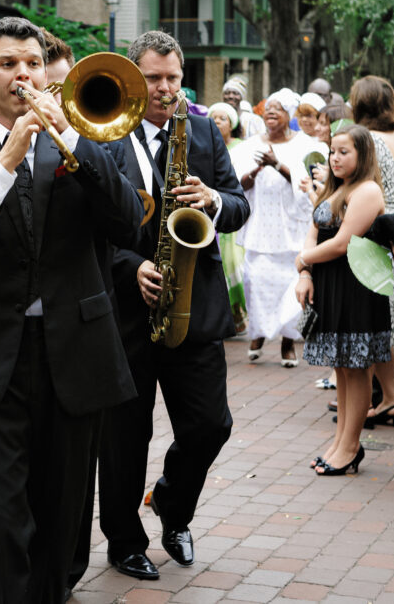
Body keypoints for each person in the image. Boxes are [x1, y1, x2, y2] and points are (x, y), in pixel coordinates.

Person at [0, 16, 142, 602]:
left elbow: (126, 222)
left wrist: (77, 142)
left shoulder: (86, 136)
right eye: (10, 64)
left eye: (34, 63)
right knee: (1, 516)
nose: (25, 75)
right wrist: (4, 163)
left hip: (73, 351)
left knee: (64, 515)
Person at [97, 31, 248, 582]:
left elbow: (239, 205)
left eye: (173, 79)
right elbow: (84, 226)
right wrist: (128, 265)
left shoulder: (203, 130)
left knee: (211, 424)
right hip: (126, 310)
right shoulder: (104, 132)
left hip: (195, 307)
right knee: (123, 436)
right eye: (154, 78)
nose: (164, 89)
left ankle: (172, 505)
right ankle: (123, 542)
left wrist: (213, 199)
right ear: (134, 79)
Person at [297, 125, 388, 474]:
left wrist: (304, 261)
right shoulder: (337, 189)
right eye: (332, 151)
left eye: (343, 152)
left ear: (362, 154)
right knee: (342, 366)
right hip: (330, 282)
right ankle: (339, 442)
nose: (334, 158)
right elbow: (314, 230)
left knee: (356, 367)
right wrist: (305, 272)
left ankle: (350, 447)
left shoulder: (367, 190)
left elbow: (342, 242)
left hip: (357, 286)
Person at [231, 89, 315, 367]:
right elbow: (237, 185)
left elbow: (307, 184)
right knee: (256, 282)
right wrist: (255, 170)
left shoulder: (304, 145)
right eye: (267, 109)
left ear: (288, 115)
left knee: (289, 285)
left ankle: (288, 343)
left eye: (277, 109)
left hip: (292, 227)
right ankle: (257, 336)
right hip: (260, 228)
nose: (270, 113)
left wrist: (277, 164)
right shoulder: (249, 145)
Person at [351, 75, 394, 425]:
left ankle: (370, 403)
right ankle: (390, 398)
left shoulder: (368, 139)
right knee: (384, 329)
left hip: (372, 234)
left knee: (371, 325)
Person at [208, 101, 247, 333]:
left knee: (234, 263)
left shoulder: (243, 146)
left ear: (232, 124)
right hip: (210, 216)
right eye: (214, 117)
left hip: (232, 214)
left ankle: (239, 312)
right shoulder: (206, 145)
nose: (217, 122)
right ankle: (229, 317)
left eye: (222, 118)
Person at [223, 75, 266, 140]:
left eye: (235, 93)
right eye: (227, 93)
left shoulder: (254, 120)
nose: (231, 96)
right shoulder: (217, 118)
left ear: (241, 97)